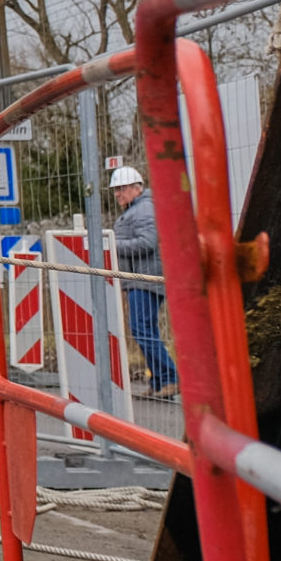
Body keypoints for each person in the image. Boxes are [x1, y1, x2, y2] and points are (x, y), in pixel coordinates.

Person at [108, 164, 178, 398]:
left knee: (142, 329)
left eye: (122, 188)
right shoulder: (137, 209)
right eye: (116, 189)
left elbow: (148, 242)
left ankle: (169, 378)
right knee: (143, 329)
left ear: (137, 188)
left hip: (145, 279)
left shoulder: (144, 209)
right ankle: (159, 383)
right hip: (140, 279)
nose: (118, 193)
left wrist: (111, 245)